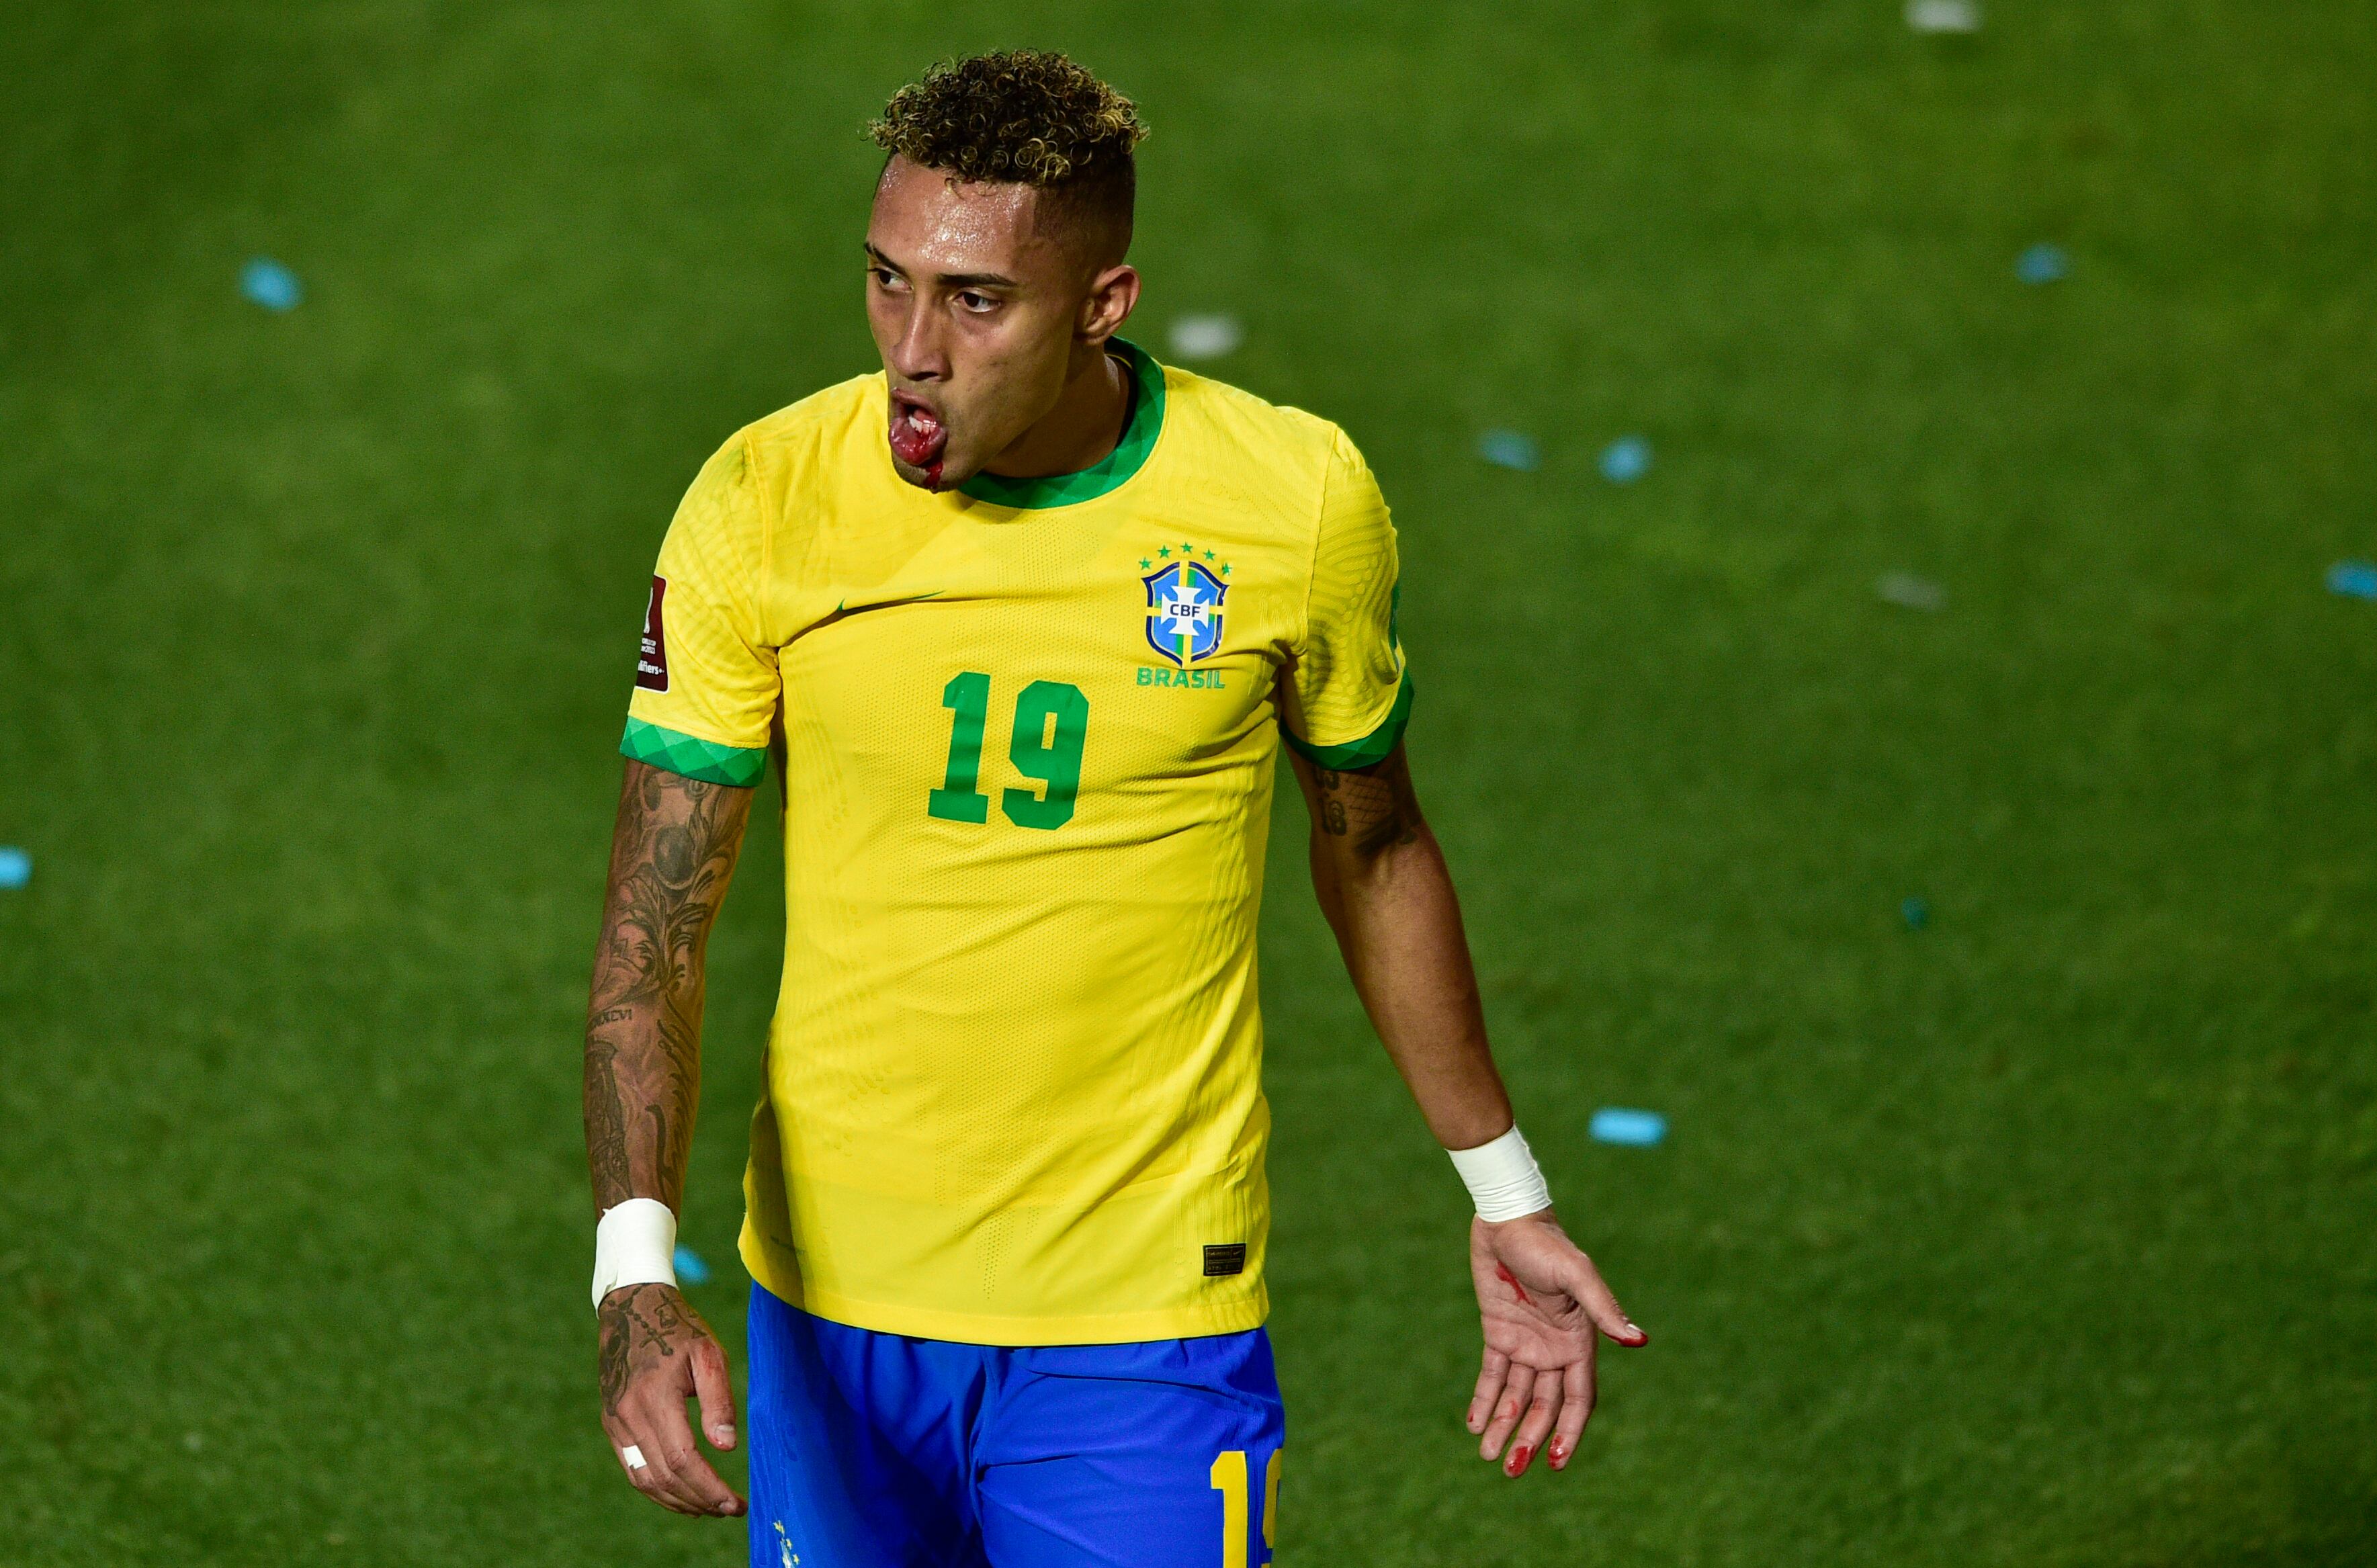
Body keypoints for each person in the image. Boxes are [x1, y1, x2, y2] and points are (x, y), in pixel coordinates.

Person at [580, 49, 1646, 1567]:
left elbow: (1377, 844)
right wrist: (633, 1271)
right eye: (887, 283)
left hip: (1144, 1318)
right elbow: (652, 925)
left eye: (974, 300)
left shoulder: (1289, 504)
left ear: (1102, 303)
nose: (912, 351)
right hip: (830, 1313)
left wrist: (1503, 1191)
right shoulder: (764, 498)